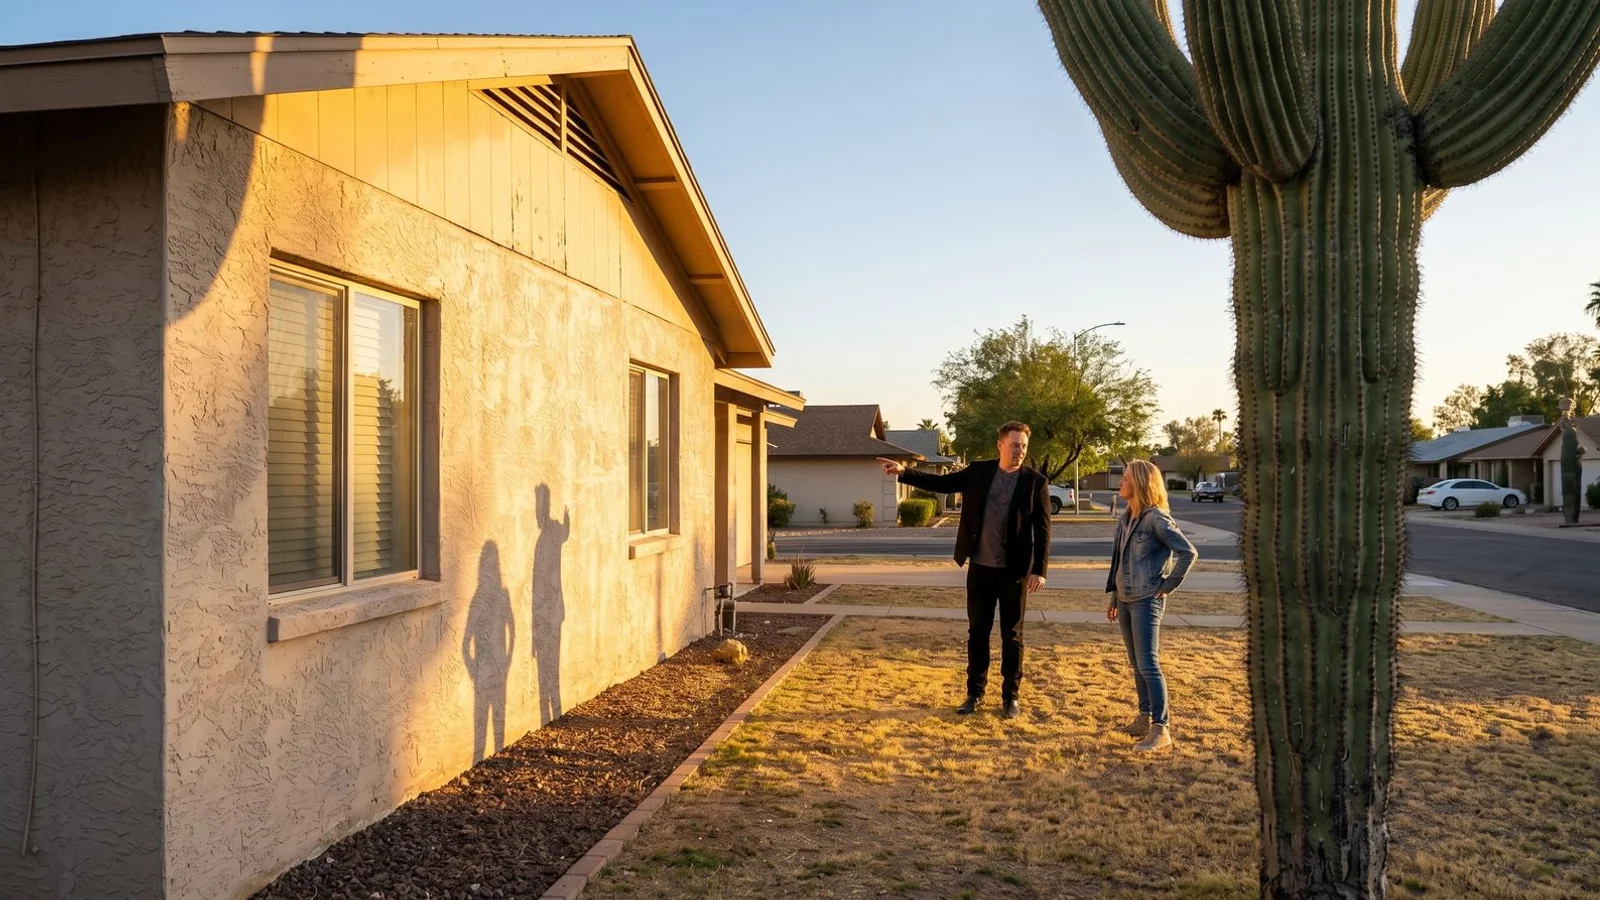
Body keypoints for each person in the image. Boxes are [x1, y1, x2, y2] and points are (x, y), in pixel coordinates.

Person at [877, 421, 1050, 719]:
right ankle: (975, 694)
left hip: (1014, 573)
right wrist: (903, 472)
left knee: (1012, 636)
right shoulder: (980, 472)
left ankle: (1011, 697)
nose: (1019, 450)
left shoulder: (1035, 482)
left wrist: (1039, 570)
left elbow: (1043, 529)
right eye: (1014, 445)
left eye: (1023, 445)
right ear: (1001, 445)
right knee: (977, 633)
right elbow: (943, 484)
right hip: (980, 568)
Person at [1105, 459, 1197, 751]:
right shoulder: (1127, 517)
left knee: (1149, 664)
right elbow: (1119, 562)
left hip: (1147, 600)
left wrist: (1166, 586)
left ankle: (1161, 728)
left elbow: (1188, 552)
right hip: (1126, 599)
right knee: (1136, 664)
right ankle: (1144, 718)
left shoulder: (1156, 518)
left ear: (1141, 484)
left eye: (1126, 478)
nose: (1121, 482)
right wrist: (1114, 596)